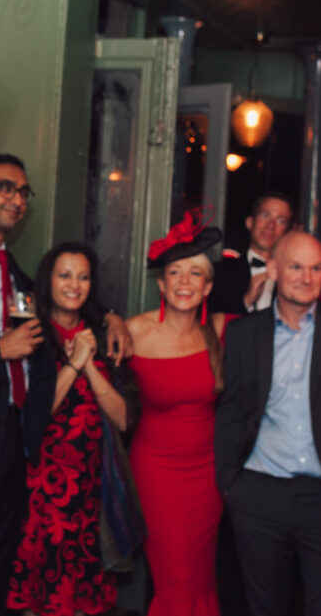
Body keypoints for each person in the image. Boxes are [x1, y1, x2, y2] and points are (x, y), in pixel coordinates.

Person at [0, 154, 132, 616]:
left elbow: (76, 307)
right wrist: (3, 349)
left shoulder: (17, 274)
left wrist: (114, 318)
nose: (17, 199)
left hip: (17, 450)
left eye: (23, 192)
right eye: (5, 187)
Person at [215, 232, 321, 616]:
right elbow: (232, 411)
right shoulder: (244, 334)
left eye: (316, 268)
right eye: (296, 267)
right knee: (263, 607)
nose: (307, 277)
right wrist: (231, 486)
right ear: (272, 269)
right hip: (257, 493)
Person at [6, 242, 129, 616]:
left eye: (83, 276)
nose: (74, 284)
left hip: (90, 492)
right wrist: (74, 363)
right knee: (38, 596)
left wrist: (90, 363)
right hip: (41, 490)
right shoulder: (32, 334)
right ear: (48, 281)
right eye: (64, 275)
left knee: (82, 601)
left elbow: (124, 419)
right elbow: (33, 415)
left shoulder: (103, 336)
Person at [125, 209, 229, 616]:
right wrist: (113, 320)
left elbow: (287, 312)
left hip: (208, 476)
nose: (184, 282)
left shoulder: (222, 330)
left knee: (201, 577)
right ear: (161, 284)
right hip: (156, 474)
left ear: (207, 287)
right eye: (175, 273)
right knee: (176, 580)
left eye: (195, 274)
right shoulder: (133, 331)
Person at [209, 192, 321, 331]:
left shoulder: (309, 274)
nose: (271, 225)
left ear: (288, 230)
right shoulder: (220, 273)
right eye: (265, 215)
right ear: (249, 222)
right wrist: (246, 301)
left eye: (281, 220)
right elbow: (211, 331)